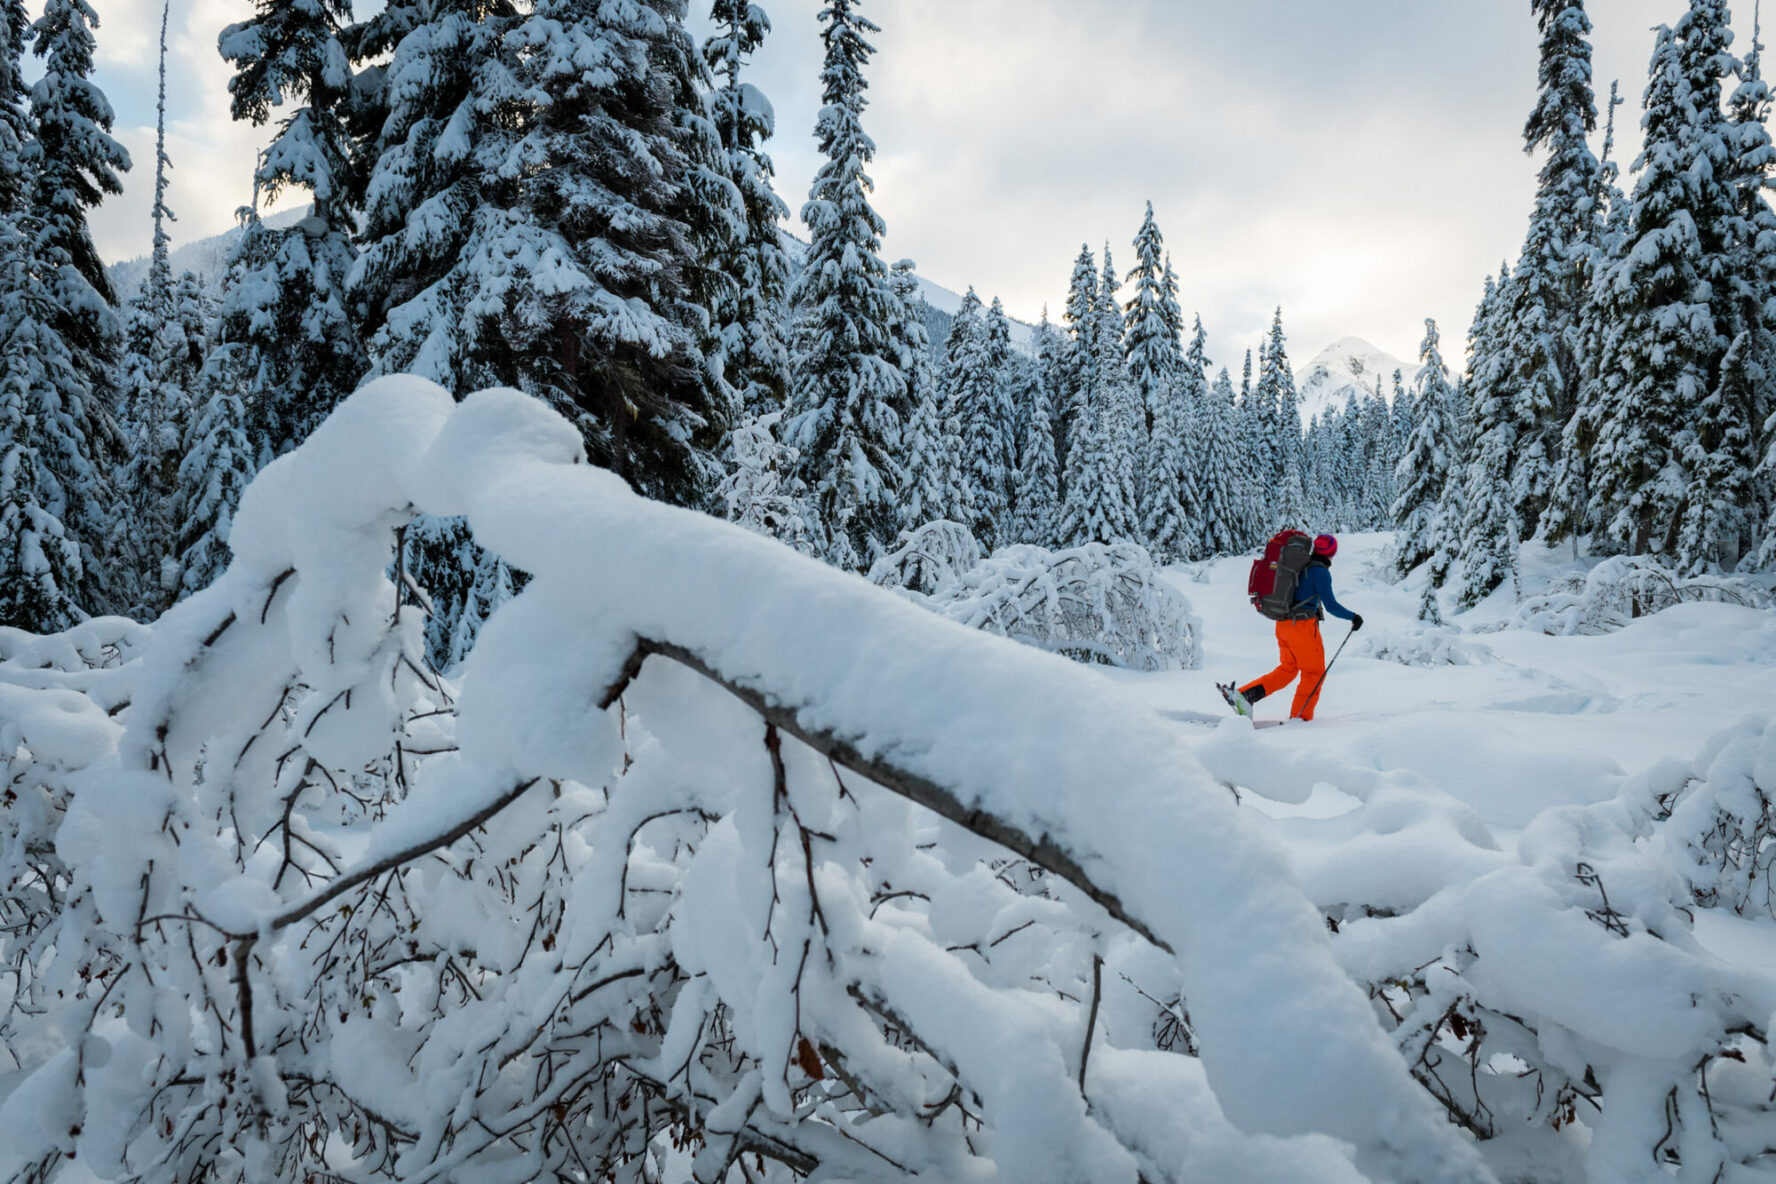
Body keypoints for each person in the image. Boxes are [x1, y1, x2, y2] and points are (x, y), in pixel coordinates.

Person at [1230, 533, 1363, 722]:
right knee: (1313, 673)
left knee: (1288, 669)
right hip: (1302, 628)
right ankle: (1301, 719)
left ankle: (1244, 696)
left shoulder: (1301, 565)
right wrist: (1353, 617)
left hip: (1283, 624)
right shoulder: (1320, 572)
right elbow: (1331, 605)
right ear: (1331, 553)